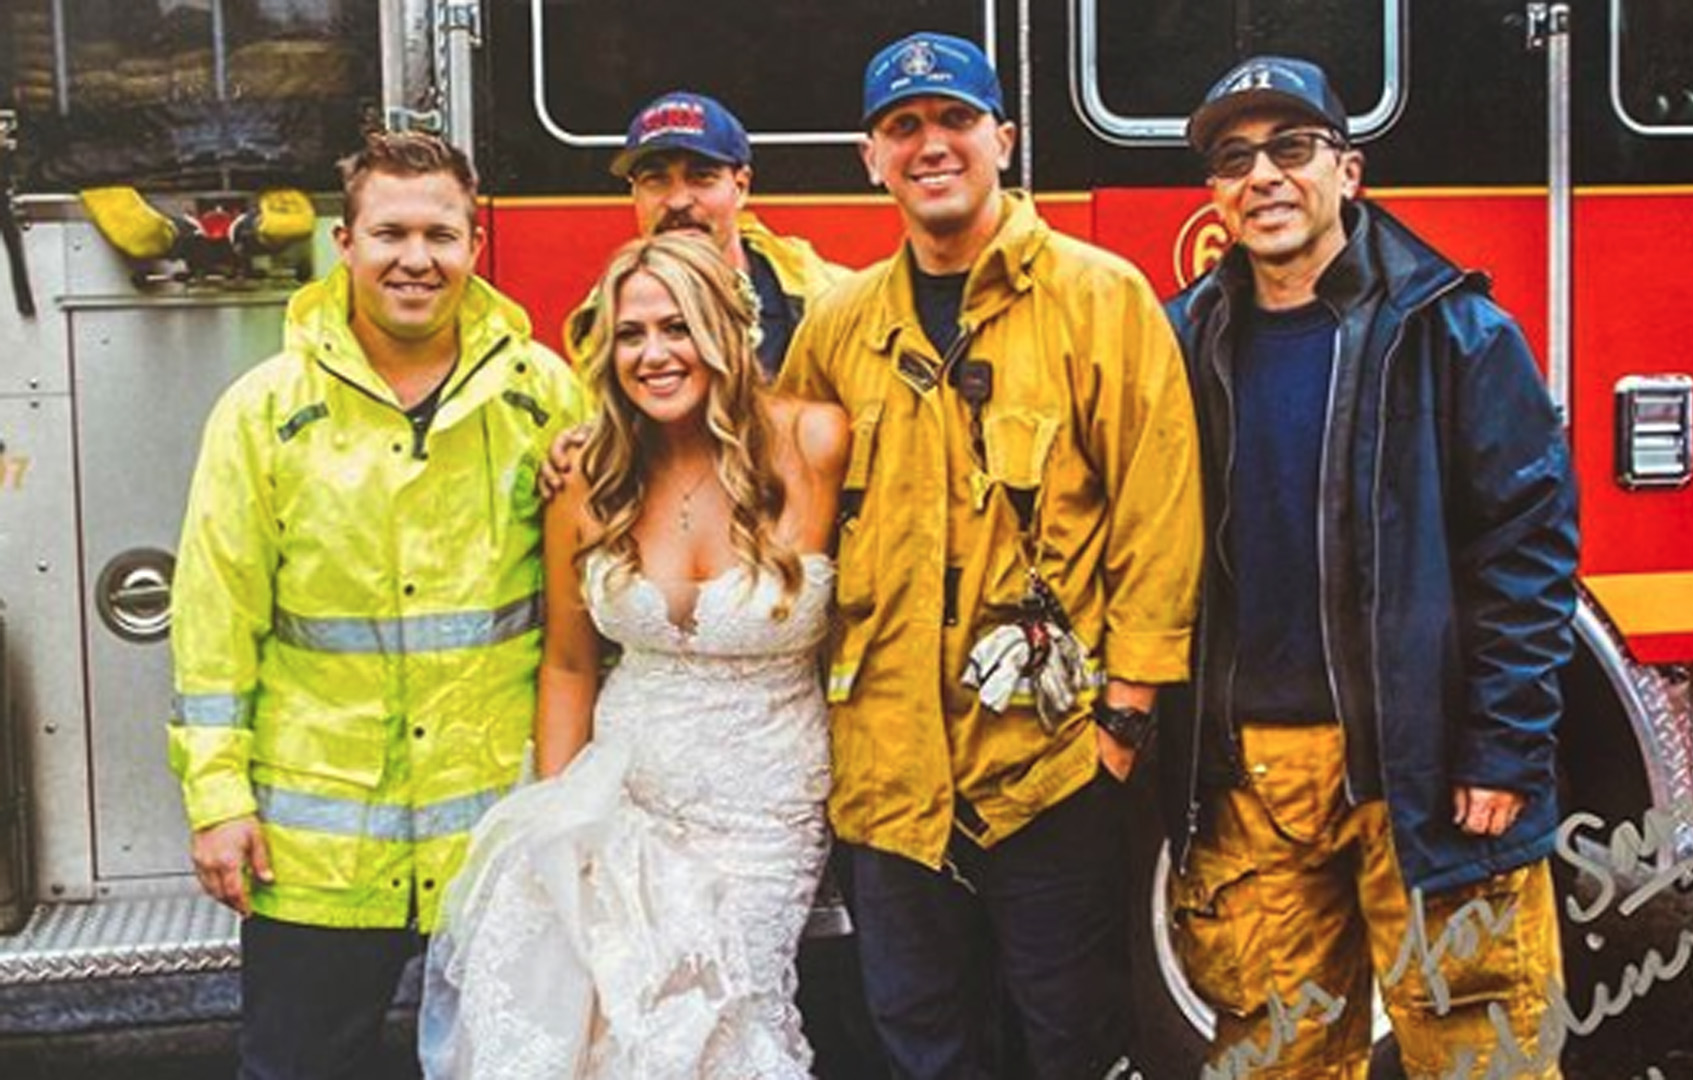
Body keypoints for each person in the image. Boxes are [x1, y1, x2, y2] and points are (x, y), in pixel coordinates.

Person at [775, 31, 1203, 1079]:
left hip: (1050, 766)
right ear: (869, 158)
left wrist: (1126, 719)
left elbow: (1161, 506)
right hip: (885, 773)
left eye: (955, 120)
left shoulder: (1100, 300)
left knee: (1071, 1040)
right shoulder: (835, 328)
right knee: (922, 1039)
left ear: (1002, 140)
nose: (931, 145)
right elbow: (771, 511)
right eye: (902, 127)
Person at [1159, 57, 1580, 1078]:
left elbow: (1527, 549)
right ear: (1213, 195)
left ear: (1348, 172)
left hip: (1424, 773)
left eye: (1290, 150)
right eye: (1234, 157)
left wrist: (1501, 748)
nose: (1262, 176)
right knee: (1276, 1059)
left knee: (1486, 1055)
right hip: (1252, 784)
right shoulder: (1178, 343)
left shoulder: (1451, 332)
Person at [168, 130, 585, 1079]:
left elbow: (589, 611)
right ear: (343, 245)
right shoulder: (262, 411)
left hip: (492, 836)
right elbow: (215, 620)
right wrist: (218, 800)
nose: (415, 258)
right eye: (389, 232)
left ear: (475, 247)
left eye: (441, 234)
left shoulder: (546, 395)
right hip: (318, 858)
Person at [419, 232, 851, 1079]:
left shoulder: (815, 442)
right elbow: (570, 666)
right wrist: (556, 822)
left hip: (765, 813)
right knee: (616, 1037)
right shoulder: (590, 476)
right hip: (621, 801)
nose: (654, 354)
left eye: (677, 327)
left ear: (728, 330)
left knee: (728, 1022)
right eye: (630, 334)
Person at [565, 90, 844, 375]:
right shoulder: (602, 323)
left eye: (701, 177)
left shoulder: (832, 300)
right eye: (656, 180)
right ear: (634, 194)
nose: (678, 201)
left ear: (741, 186)